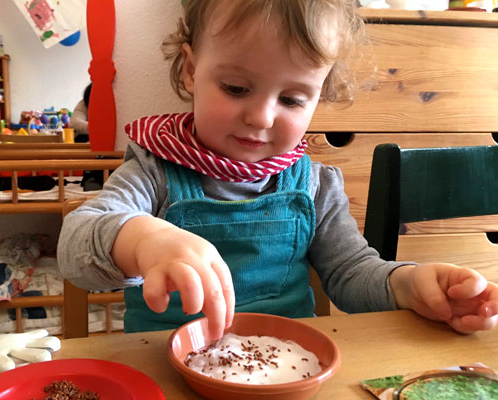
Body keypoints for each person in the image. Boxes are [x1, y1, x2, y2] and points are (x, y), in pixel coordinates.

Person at [57, 0, 498, 340]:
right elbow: (76, 244)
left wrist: (407, 283)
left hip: (286, 368)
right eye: (236, 88)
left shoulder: (314, 183)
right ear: (192, 71)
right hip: (165, 367)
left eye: (292, 99)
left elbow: (350, 274)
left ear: (319, 93)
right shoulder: (154, 169)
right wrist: (139, 237)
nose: (262, 117)